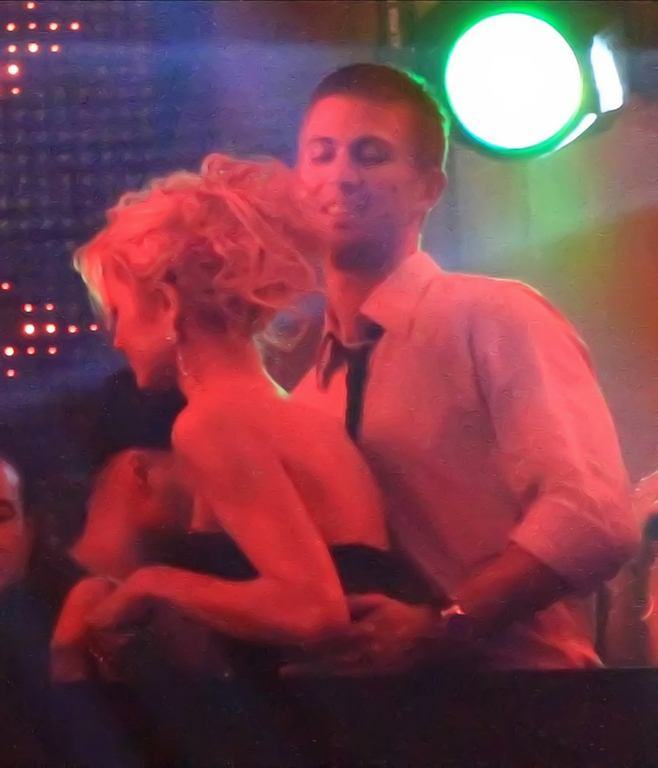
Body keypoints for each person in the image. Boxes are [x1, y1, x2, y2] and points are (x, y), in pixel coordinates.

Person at [290, 63, 639, 673]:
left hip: (525, 698)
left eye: (371, 155)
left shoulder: (491, 315)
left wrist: (444, 623)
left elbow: (593, 516)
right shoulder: (307, 393)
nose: (340, 175)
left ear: (429, 188)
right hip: (378, 709)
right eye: (321, 154)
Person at [53, 153, 438, 685]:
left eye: (117, 314)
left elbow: (314, 611)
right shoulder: (297, 413)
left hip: (338, 719)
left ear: (167, 304)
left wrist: (153, 583)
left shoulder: (212, 424)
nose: (116, 340)